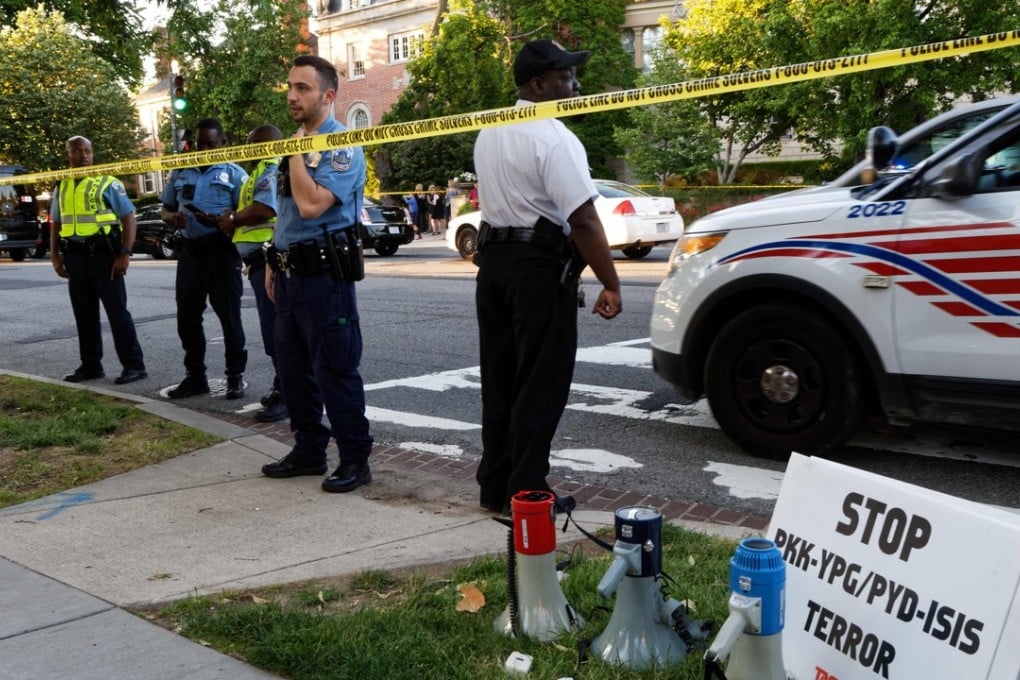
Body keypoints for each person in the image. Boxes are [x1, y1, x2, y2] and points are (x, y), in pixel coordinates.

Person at [472, 39, 622, 513]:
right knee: (541, 382)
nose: (575, 86)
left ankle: (495, 485)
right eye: (565, 78)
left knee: (501, 379)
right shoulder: (554, 137)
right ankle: (528, 491)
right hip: (537, 270)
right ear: (538, 84)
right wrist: (612, 282)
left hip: (493, 264)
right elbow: (583, 221)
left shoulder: (490, 130)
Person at [259, 54, 374, 494]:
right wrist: (274, 256)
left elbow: (311, 205)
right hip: (289, 275)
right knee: (291, 370)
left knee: (335, 370)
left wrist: (295, 156)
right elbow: (286, 213)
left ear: (328, 95)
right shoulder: (297, 144)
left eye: (303, 88)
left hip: (326, 277)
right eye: (290, 86)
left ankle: (354, 459)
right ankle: (309, 450)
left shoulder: (340, 146)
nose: (292, 95)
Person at [161, 118, 249, 400]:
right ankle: (195, 377)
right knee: (187, 318)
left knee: (229, 318)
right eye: (200, 143)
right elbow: (165, 208)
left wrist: (223, 221)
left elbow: (246, 216)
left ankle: (234, 377)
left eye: (211, 144)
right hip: (190, 253)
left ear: (223, 143)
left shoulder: (236, 175)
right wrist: (171, 218)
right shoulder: (181, 171)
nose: (204, 148)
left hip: (222, 252)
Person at [50, 136, 147, 385]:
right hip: (75, 256)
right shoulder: (62, 185)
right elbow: (55, 223)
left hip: (104, 256)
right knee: (84, 314)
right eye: (76, 151)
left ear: (93, 153)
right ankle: (91, 365)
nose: (83, 155)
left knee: (117, 313)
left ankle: (134, 366)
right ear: (67, 154)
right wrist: (55, 255)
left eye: (87, 151)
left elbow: (128, 218)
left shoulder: (107, 183)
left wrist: (125, 254)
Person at [217, 124, 287, 423]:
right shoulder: (259, 170)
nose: (247, 150)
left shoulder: (271, 167)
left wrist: (232, 218)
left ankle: (286, 392)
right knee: (274, 329)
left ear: (267, 144)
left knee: (277, 331)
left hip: (269, 260)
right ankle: (283, 386)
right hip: (259, 262)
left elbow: (264, 209)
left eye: (252, 144)